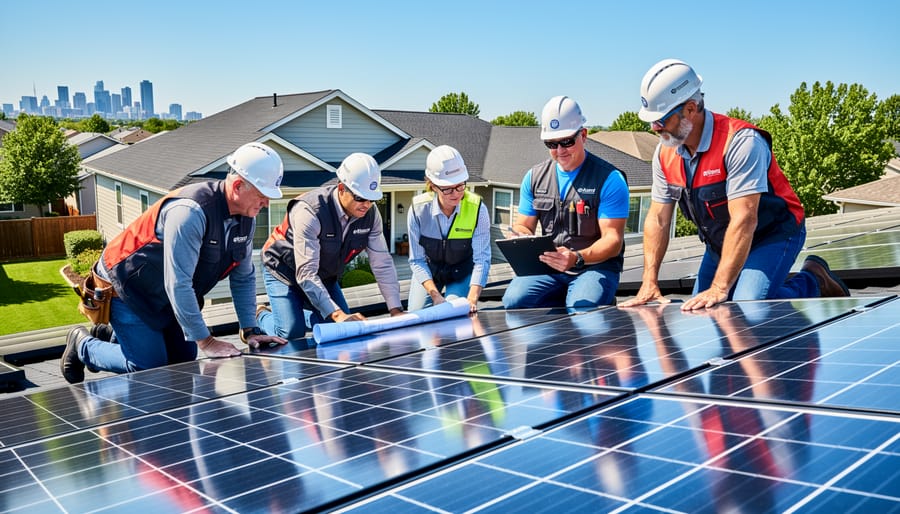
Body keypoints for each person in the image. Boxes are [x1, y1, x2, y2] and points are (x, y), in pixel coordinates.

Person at [620, 58, 849, 311]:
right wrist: (649, 281)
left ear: (690, 109)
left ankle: (814, 280)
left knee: (748, 306)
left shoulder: (740, 142)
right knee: (700, 313)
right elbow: (659, 220)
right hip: (721, 241)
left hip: (771, 234)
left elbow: (745, 220)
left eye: (661, 120)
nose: (654, 128)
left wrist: (720, 288)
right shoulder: (665, 154)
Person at [61, 142, 289, 384]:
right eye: (262, 195)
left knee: (182, 363)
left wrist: (250, 330)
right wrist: (207, 341)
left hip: (164, 293)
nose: (266, 204)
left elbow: (243, 278)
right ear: (237, 185)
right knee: (148, 367)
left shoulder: (246, 218)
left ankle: (119, 335)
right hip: (127, 288)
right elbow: (178, 283)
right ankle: (82, 343)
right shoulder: (190, 212)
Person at [256, 152, 404, 340]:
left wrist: (395, 310)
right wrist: (337, 314)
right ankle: (260, 314)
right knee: (291, 332)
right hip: (283, 270)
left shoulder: (371, 215)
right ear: (342, 188)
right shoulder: (310, 211)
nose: (366, 204)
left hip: (324, 275)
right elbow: (306, 274)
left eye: (372, 199)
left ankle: (305, 316)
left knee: (343, 331)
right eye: (360, 197)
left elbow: (382, 263)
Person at [502, 95, 629, 310]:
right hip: (548, 267)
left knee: (582, 308)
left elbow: (613, 241)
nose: (560, 151)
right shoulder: (534, 178)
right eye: (552, 144)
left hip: (593, 267)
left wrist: (577, 258)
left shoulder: (609, 179)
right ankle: (562, 303)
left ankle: (587, 297)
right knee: (514, 301)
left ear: (584, 135)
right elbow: (524, 224)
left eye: (567, 141)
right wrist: (520, 235)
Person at [407, 145, 491, 313]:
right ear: (432, 186)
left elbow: (482, 259)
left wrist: (472, 298)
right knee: (418, 314)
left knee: (453, 312)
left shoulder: (477, 208)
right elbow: (417, 260)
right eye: (447, 188)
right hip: (429, 273)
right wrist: (436, 296)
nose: (456, 193)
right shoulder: (418, 210)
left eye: (460, 185)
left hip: (462, 273)